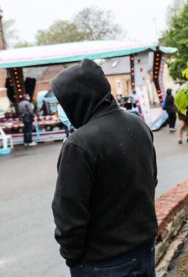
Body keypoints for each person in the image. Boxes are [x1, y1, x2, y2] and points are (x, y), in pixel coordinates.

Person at [50, 59, 157, 276]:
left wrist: (72, 255)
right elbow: (151, 180)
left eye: (61, 102)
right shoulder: (137, 124)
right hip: (144, 249)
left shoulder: (79, 143)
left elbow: (69, 212)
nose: (60, 109)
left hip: (102, 260)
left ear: (77, 97)